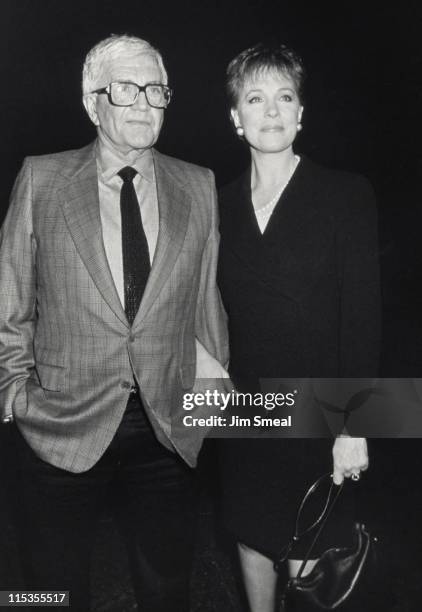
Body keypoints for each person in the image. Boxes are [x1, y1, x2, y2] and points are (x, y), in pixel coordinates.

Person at [0, 34, 228, 611]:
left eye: (156, 89)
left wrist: (209, 399)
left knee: (166, 587)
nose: (144, 102)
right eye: (126, 88)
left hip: (166, 427)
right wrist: (14, 396)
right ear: (90, 101)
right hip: (60, 419)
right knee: (48, 588)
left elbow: (206, 303)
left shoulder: (197, 185)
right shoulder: (42, 179)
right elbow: (10, 299)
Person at [217, 43, 380, 612]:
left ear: (301, 113)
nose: (271, 110)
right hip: (243, 412)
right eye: (255, 98)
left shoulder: (346, 195)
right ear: (235, 117)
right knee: (251, 537)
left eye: (285, 97)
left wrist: (354, 428)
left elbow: (362, 321)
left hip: (318, 414)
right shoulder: (216, 207)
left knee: (310, 566)